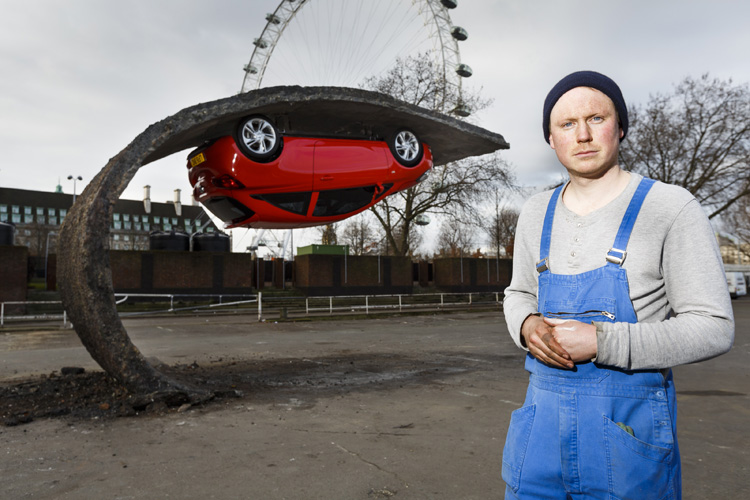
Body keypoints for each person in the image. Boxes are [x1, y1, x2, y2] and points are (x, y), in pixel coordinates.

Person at [501, 71, 734, 500]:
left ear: (620, 126)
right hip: (538, 443)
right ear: (551, 139)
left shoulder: (671, 208)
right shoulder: (535, 213)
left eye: (596, 118)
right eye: (567, 125)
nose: (583, 135)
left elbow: (714, 326)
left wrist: (603, 342)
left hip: (627, 448)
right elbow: (518, 292)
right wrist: (527, 324)